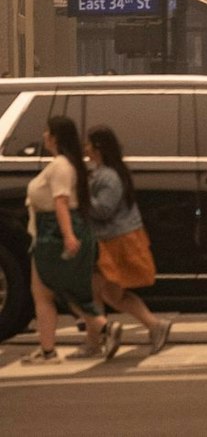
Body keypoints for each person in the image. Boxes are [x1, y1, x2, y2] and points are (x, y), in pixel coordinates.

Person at [22, 115, 116, 364]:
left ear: (55, 137)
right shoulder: (66, 164)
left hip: (54, 230)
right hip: (50, 229)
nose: (43, 135)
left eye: (47, 131)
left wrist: (68, 236)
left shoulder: (61, 166)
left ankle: (101, 328)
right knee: (48, 291)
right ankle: (48, 349)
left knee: (51, 290)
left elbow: (61, 202)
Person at [84, 125, 170, 352]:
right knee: (112, 294)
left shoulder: (108, 176)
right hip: (115, 239)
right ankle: (155, 325)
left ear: (98, 147)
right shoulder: (108, 172)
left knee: (94, 292)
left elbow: (103, 210)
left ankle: (94, 341)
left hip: (112, 241)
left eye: (89, 144)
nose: (85, 148)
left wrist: (81, 198)